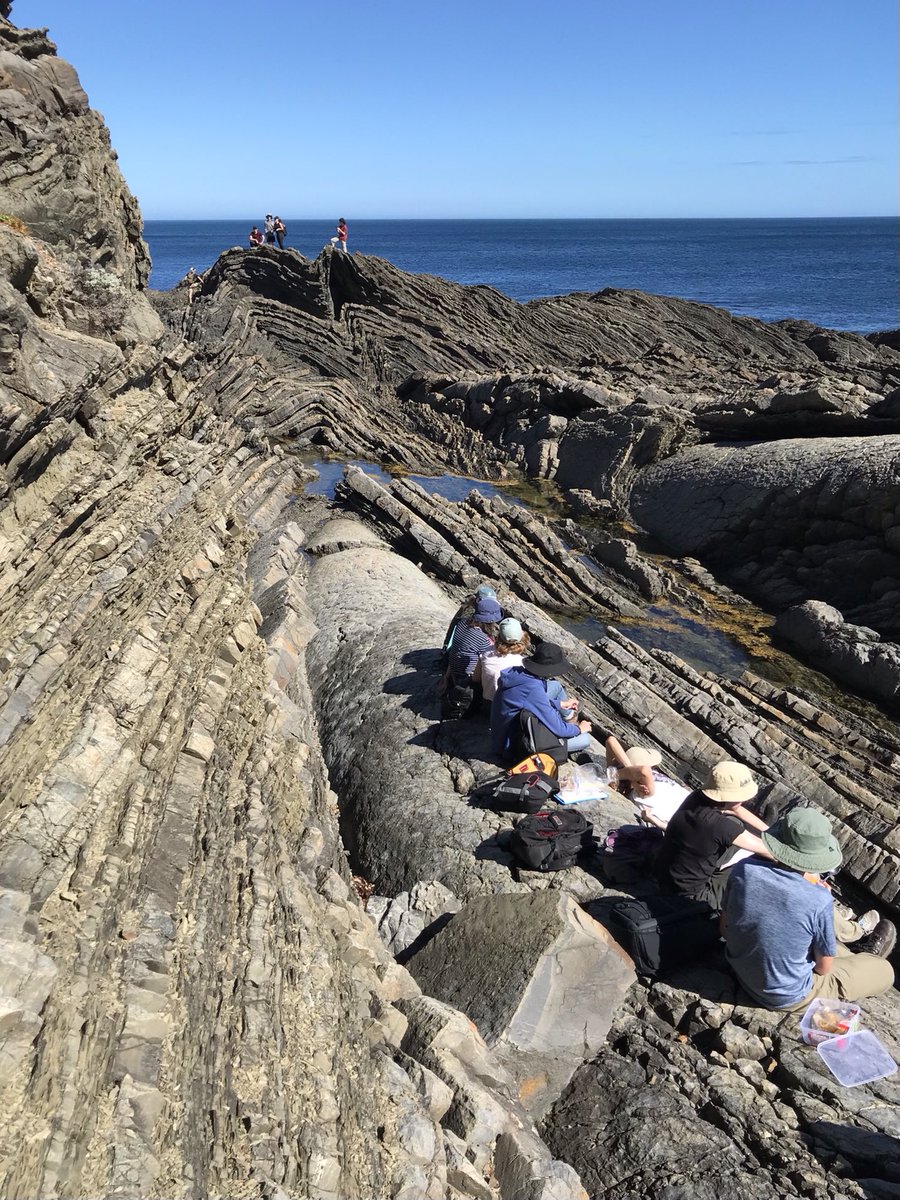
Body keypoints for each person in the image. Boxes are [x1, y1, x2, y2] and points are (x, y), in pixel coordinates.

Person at [723, 807, 895, 1010]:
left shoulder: (744, 868)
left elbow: (724, 928)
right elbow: (823, 968)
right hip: (785, 995)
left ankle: (859, 953)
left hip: (740, 970)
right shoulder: (818, 899)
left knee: (841, 951)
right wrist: (821, 897)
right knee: (884, 970)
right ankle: (868, 957)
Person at [654, 761, 772, 910]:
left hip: (666, 876)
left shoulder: (696, 797)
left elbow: (735, 810)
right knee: (757, 864)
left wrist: (768, 830)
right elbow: (770, 852)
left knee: (737, 823)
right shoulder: (720, 825)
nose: (745, 799)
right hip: (693, 896)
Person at [492, 642, 592, 763]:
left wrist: (559, 704)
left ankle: (569, 718)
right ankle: (571, 722)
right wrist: (579, 729)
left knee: (554, 686)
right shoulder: (533, 689)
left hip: (503, 732)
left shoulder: (515, 673)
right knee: (585, 739)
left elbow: (527, 701)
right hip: (513, 745)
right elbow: (559, 729)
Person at [479, 617, 532, 701]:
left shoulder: (487, 653)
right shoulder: (521, 663)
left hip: (486, 701)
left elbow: (476, 678)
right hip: (506, 706)